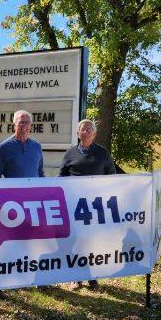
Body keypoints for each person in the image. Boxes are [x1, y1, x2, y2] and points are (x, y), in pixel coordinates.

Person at [60, 119, 116, 290]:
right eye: (82, 130)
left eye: (89, 130)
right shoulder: (69, 154)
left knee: (92, 242)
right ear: (78, 133)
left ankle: (93, 277)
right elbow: (61, 179)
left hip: (96, 207)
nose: (85, 132)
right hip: (75, 206)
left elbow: (111, 176)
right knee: (76, 241)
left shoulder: (103, 153)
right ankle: (75, 277)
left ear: (94, 133)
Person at [0, 110, 44, 178]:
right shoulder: (4, 147)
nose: (24, 125)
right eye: (21, 122)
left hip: (33, 188)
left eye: (27, 122)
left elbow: (41, 173)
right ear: (14, 125)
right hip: (13, 188)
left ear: (30, 125)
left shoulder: (37, 146)